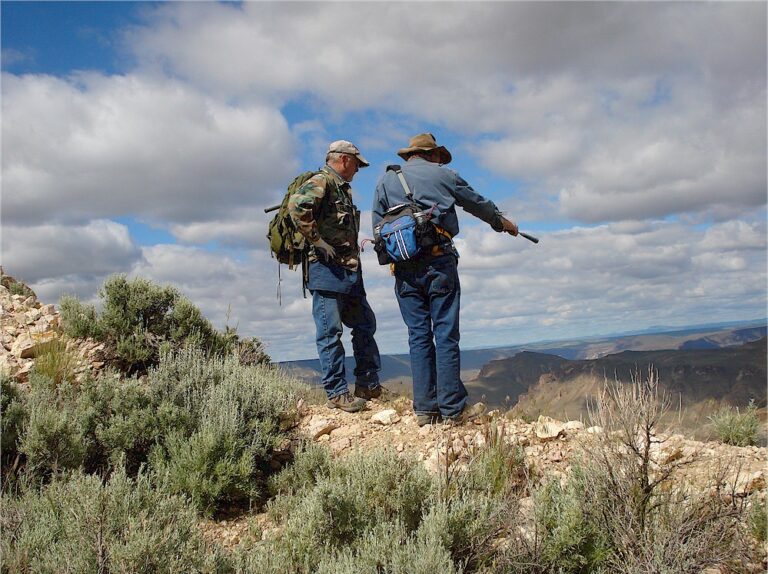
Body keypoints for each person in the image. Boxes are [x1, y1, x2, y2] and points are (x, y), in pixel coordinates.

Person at [372, 133, 518, 426]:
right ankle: (451, 409)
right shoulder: (445, 175)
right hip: (439, 262)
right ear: (432, 155)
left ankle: (425, 410)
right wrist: (502, 223)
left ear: (410, 155)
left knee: (418, 336)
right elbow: (476, 202)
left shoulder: (386, 182)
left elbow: (378, 227)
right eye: (440, 156)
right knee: (446, 333)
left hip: (403, 269)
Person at [288, 140, 382, 412]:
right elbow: (297, 206)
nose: (357, 170)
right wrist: (317, 241)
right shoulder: (323, 181)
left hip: (349, 271)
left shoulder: (342, 189)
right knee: (330, 332)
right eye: (356, 164)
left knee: (365, 324)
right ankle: (337, 393)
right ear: (343, 160)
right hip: (326, 271)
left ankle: (367, 384)